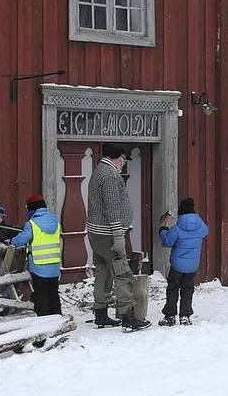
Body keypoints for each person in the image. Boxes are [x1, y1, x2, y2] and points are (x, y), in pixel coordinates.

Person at [86, 142, 150, 331]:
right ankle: (128, 317)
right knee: (122, 273)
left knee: (103, 272)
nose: (124, 163)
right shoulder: (110, 176)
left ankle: (101, 314)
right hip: (108, 234)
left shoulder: (99, 171)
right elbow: (112, 207)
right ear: (117, 157)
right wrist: (118, 235)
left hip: (97, 232)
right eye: (123, 159)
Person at [157, 197, 210, 326]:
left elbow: (168, 241)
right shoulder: (201, 227)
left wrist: (163, 231)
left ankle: (170, 316)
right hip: (192, 265)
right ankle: (185, 316)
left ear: (181, 213)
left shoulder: (177, 229)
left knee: (173, 289)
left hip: (177, 265)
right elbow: (205, 231)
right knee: (187, 289)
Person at [10, 195, 62, 321]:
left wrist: (10, 240)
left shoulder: (32, 224)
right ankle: (57, 318)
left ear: (32, 209)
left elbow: (21, 240)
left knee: (40, 295)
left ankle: (43, 321)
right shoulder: (55, 221)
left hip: (39, 266)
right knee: (53, 293)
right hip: (54, 265)